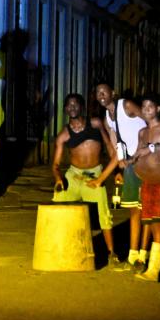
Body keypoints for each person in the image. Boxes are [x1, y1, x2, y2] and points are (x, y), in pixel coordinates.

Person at [51, 93, 121, 267]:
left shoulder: (95, 123)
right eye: (69, 105)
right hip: (74, 175)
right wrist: (59, 179)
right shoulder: (64, 134)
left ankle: (112, 253)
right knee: (58, 204)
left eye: (75, 104)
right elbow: (55, 165)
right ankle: (59, 248)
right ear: (65, 109)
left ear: (81, 107)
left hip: (94, 174)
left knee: (104, 214)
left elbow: (109, 147)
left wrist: (115, 171)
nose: (72, 107)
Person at [96, 83, 147, 271]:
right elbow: (115, 142)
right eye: (98, 93)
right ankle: (133, 256)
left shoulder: (126, 106)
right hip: (131, 163)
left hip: (146, 159)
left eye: (104, 91)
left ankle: (146, 254)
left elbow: (150, 121)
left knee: (149, 210)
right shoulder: (108, 117)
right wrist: (121, 163)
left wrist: (144, 147)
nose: (101, 95)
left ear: (113, 93)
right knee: (134, 209)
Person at [131, 93, 160, 282]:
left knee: (159, 223)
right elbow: (138, 152)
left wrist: (152, 148)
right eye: (143, 107)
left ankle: (154, 271)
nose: (146, 109)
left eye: (150, 106)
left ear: (158, 108)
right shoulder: (142, 132)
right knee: (150, 222)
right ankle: (158, 268)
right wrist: (131, 160)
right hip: (147, 181)